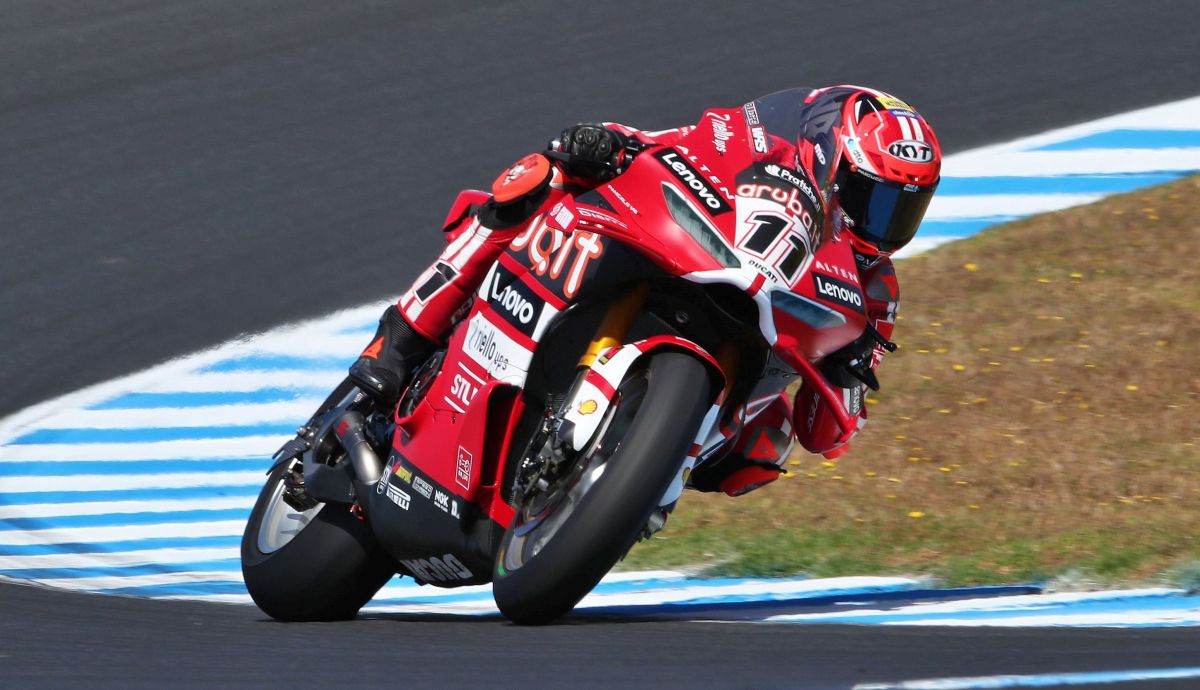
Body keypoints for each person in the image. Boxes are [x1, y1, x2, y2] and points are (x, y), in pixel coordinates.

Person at [349, 86, 942, 496]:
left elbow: (830, 436)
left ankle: (627, 481)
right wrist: (607, 144)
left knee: (769, 447)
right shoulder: (762, 142)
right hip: (692, 256)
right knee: (542, 175)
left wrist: (850, 373)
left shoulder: (875, 292)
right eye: (872, 198)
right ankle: (399, 339)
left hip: (738, 376)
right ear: (830, 158)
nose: (882, 223)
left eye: (903, 209)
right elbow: (674, 139)